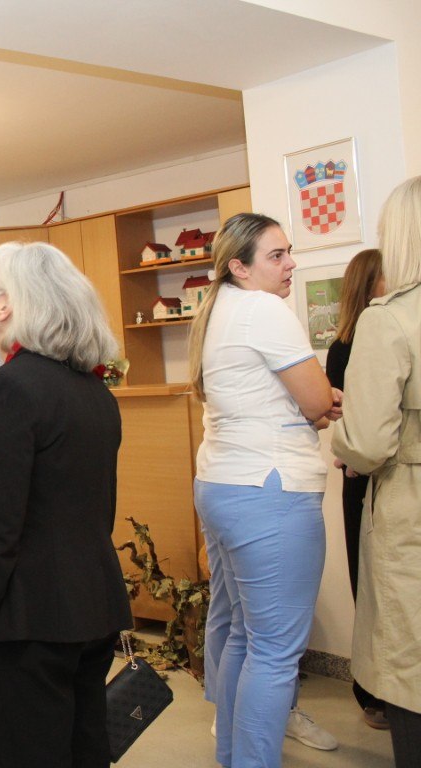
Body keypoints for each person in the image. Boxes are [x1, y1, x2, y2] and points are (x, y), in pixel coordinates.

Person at [0, 241, 132, 768]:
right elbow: (99, 510)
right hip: (90, 604)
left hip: (30, 618)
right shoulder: (94, 390)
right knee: (84, 748)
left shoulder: (11, 387)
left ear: (8, 304)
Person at [188, 213, 341, 768]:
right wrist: (318, 403)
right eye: (276, 255)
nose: (290, 263)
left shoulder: (220, 310)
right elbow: (317, 400)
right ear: (239, 267)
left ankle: (234, 756)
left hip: (224, 484)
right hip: (269, 490)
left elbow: (298, 399)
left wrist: (313, 403)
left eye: (288, 251)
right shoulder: (263, 309)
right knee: (275, 652)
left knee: (244, 637)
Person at [332, 175, 421, 768]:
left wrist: (339, 436)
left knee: (410, 663)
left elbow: (366, 443)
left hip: (411, 505)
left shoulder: (390, 319)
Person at [324, 248, 388, 730]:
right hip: (361, 478)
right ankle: (371, 694)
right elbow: (341, 414)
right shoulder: (346, 346)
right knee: (366, 584)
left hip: (378, 473)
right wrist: (353, 451)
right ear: (370, 285)